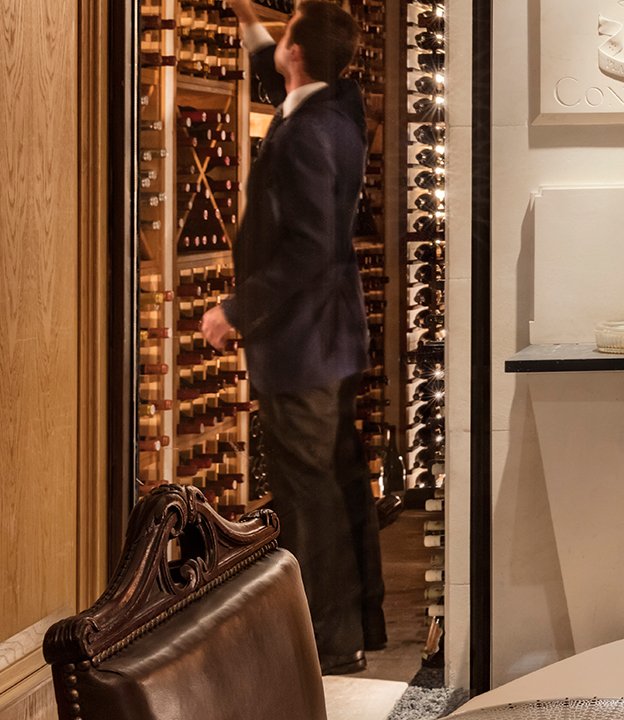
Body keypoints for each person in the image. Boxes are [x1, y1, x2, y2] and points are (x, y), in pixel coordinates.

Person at [202, 0, 385, 675]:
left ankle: (329, 645)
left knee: (309, 499)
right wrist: (253, 21)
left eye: (284, 37)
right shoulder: (340, 107)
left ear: (297, 55)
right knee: (337, 484)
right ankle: (359, 623)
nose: (276, 43)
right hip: (333, 338)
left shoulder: (306, 134)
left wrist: (235, 311)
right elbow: (285, 74)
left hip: (302, 343)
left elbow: (307, 249)